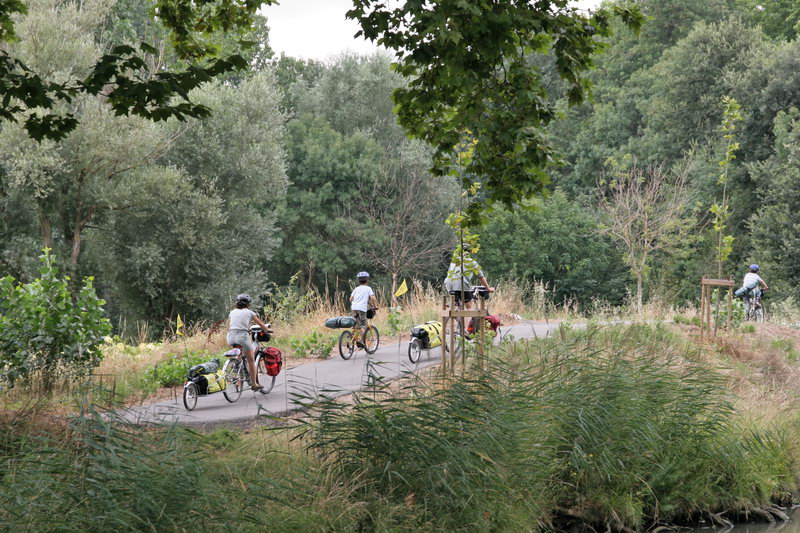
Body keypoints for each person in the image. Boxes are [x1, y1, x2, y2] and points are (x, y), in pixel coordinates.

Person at [227, 293, 271, 391]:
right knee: (251, 360)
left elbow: (231, 325)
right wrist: (267, 330)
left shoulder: (232, 312)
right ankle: (254, 384)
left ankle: (237, 378)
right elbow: (261, 325)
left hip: (231, 336)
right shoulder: (250, 312)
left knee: (238, 355)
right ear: (248, 303)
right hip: (242, 336)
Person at [443, 245, 494, 311]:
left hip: (448, 284)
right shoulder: (472, 262)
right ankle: (467, 320)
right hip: (462, 285)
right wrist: (488, 289)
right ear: (470, 252)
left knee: (457, 303)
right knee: (469, 306)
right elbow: (481, 277)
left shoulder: (454, 261)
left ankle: (455, 314)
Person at [350, 271, 377, 346]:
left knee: (356, 323)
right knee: (363, 325)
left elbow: (350, 299)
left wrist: (356, 301)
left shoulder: (356, 289)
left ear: (359, 281)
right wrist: (374, 306)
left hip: (354, 308)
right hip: (361, 308)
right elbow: (373, 298)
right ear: (367, 280)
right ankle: (361, 341)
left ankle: (353, 337)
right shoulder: (368, 288)